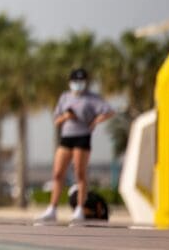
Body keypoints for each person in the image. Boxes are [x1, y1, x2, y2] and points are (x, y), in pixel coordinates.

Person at [35, 67, 115, 224]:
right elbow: (56, 120)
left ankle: (79, 209)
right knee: (58, 173)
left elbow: (109, 111)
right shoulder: (65, 97)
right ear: (70, 82)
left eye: (81, 81)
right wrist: (67, 116)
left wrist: (95, 121)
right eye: (75, 81)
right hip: (66, 137)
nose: (78, 84)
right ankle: (52, 208)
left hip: (82, 137)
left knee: (80, 173)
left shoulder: (92, 98)